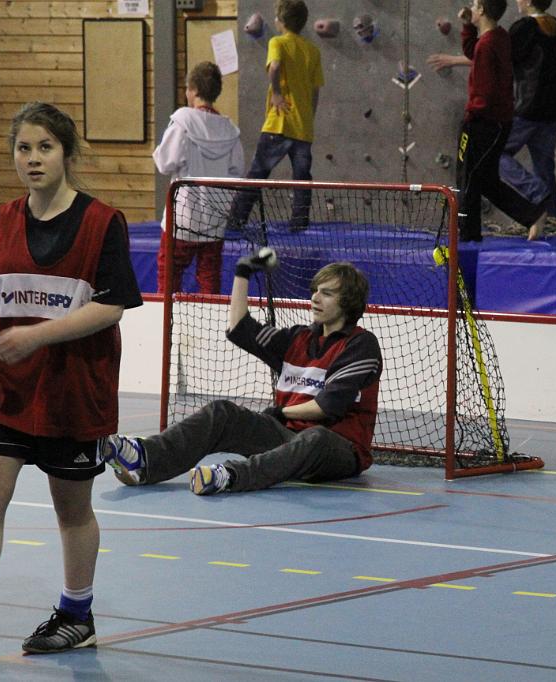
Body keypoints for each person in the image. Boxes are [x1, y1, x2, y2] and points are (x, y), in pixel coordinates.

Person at [0, 102, 143, 665]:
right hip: (4, 391)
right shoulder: (1, 223)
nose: (33, 158)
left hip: (73, 393)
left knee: (72, 511)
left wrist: (38, 336)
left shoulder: (103, 223)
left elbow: (113, 305)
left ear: (66, 153)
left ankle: (77, 615)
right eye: (24, 148)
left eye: (45, 147)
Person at [100, 256, 382, 495]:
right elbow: (239, 328)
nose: (315, 298)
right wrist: (242, 272)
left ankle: (230, 477)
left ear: (348, 302)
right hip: (289, 437)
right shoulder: (299, 338)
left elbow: (327, 406)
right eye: (315, 291)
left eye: (327, 293)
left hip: (338, 450)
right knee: (222, 413)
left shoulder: (361, 345)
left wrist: (281, 412)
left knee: (316, 437)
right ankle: (146, 460)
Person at [427, 0, 556, 239]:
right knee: (542, 167)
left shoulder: (522, 28)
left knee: (490, 164)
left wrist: (455, 61)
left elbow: (493, 60)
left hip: (523, 109)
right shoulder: (553, 26)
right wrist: (468, 29)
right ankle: (551, 220)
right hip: (551, 110)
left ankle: (536, 198)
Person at [449, 0, 548, 242]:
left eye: (474, 5)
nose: (471, 8)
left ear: (482, 10)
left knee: (467, 179)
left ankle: (468, 234)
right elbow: (472, 52)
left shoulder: (488, 44)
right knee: (485, 180)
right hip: (497, 121)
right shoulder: (499, 36)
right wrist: (467, 26)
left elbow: (485, 90)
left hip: (484, 121)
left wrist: (473, 115)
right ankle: (531, 214)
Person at [228, 0, 323, 232]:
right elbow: (315, 90)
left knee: (257, 174)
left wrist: (277, 94)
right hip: (303, 126)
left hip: (279, 122)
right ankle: (299, 223)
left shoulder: (277, 42)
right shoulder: (312, 51)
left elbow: (275, 67)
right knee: (302, 178)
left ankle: (236, 221)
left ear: (281, 21)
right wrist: (309, 116)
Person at [153, 61, 244, 295]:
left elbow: (165, 163)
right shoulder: (230, 130)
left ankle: (166, 316)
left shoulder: (183, 122)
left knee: (169, 274)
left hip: (182, 218)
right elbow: (237, 172)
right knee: (209, 275)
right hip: (215, 219)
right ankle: (211, 315)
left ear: (192, 90)